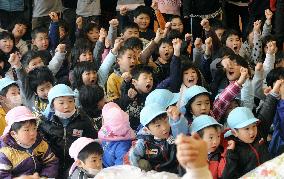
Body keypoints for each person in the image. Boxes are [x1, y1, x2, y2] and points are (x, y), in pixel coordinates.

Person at [38, 84, 97, 177]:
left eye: (70, 101)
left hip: (77, 165)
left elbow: (92, 140)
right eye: (61, 103)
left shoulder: (83, 119)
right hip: (53, 166)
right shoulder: (45, 123)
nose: (67, 106)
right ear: (52, 105)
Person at [0, 106, 59, 178]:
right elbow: (2, 176)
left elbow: (51, 162)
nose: (32, 133)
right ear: (13, 134)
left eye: (34, 128)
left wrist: (44, 177)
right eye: (26, 130)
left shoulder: (41, 144)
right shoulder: (5, 153)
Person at [129, 103, 186, 173]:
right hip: (154, 173)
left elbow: (181, 131)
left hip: (176, 171)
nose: (164, 128)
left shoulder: (174, 132)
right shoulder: (143, 142)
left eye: (166, 121)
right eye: (158, 125)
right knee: (141, 163)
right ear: (147, 129)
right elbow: (133, 156)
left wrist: (177, 119)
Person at [98, 102, 135, 167]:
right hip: (100, 160)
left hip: (108, 170)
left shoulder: (123, 147)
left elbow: (119, 170)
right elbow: (101, 141)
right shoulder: (107, 131)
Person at [118, 64, 154, 130]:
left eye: (151, 79)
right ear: (134, 82)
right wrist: (128, 97)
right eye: (145, 78)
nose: (149, 80)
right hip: (126, 130)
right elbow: (120, 105)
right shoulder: (128, 90)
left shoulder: (152, 97)